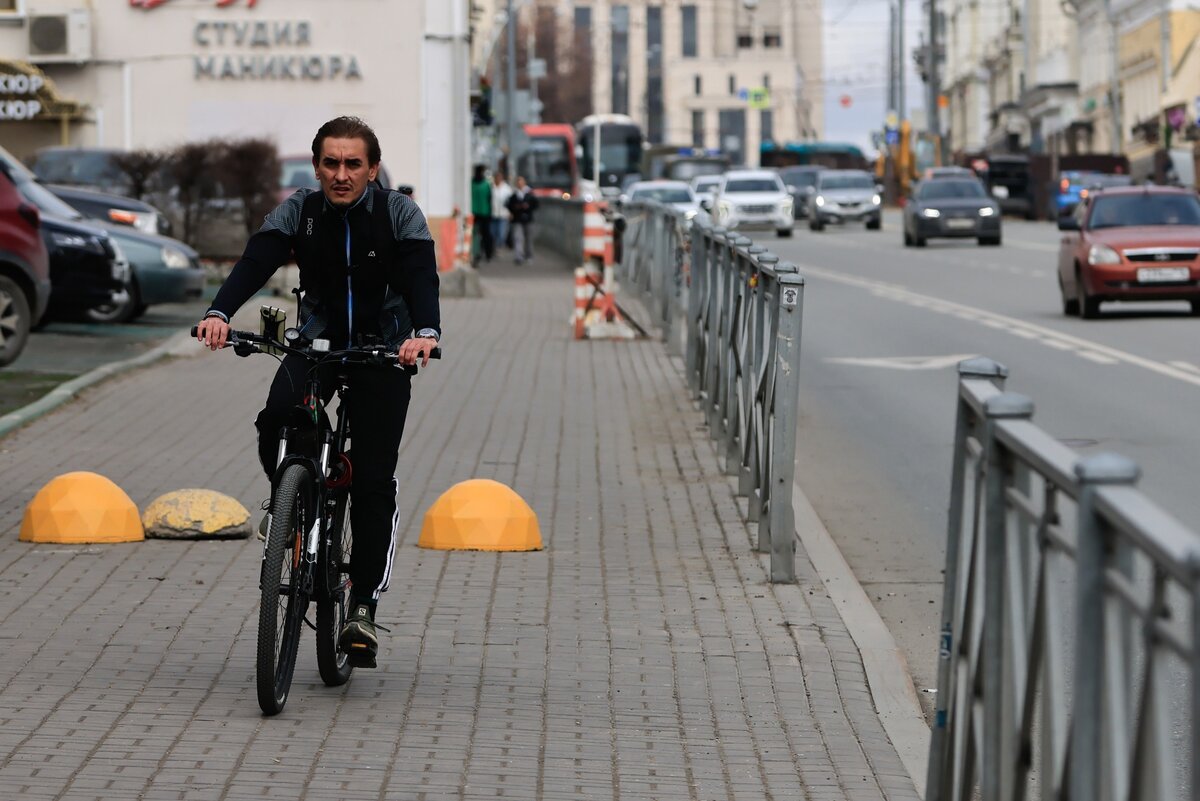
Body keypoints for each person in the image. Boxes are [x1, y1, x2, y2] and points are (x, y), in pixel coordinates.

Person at [194, 116, 440, 669]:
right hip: (319, 341)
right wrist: (219, 312)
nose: (341, 174)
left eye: (354, 164)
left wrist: (424, 333)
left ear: (372, 169)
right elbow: (257, 260)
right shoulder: (300, 211)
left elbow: (423, 275)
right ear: (317, 167)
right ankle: (292, 503)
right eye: (331, 163)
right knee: (277, 415)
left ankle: (362, 605)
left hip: (385, 350)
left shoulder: (399, 213)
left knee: (374, 479)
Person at [506, 176, 538, 264]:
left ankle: (529, 255)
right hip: (517, 218)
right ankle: (518, 256)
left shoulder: (530, 193)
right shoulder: (514, 194)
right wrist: (515, 208)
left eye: (521, 182)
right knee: (518, 238)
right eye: (518, 182)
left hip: (528, 218)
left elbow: (536, 205)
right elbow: (509, 205)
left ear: (524, 183)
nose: (519, 184)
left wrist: (528, 206)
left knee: (529, 238)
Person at [470, 164, 493, 265]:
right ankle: (487, 254)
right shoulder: (486, 184)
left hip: (474, 212)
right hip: (484, 212)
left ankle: (476, 253)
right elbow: (490, 199)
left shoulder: (471, 184)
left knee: (475, 234)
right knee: (486, 234)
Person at [490, 171, 513, 256]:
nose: (498, 179)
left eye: (499, 177)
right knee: (492, 233)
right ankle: (494, 248)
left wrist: (511, 212)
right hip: (493, 213)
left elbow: (511, 202)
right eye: (496, 177)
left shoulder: (507, 189)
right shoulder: (491, 187)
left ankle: (499, 247)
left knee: (501, 233)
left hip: (503, 214)